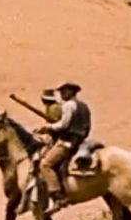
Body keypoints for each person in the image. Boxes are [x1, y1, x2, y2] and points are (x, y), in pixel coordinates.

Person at [37, 82, 92, 213]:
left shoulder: (68, 105)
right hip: (80, 140)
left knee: (45, 164)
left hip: (67, 141)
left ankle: (58, 196)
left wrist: (47, 127)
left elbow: (63, 125)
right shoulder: (84, 106)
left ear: (71, 92)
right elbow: (88, 126)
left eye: (64, 91)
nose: (61, 94)